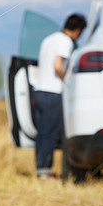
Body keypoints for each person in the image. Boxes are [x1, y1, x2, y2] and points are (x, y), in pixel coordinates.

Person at [34, 13, 86, 180]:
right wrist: (68, 82)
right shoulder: (65, 41)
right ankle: (45, 172)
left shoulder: (49, 39)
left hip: (39, 90)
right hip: (53, 92)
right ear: (78, 30)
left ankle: (40, 168)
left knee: (41, 133)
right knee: (51, 133)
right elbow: (58, 65)